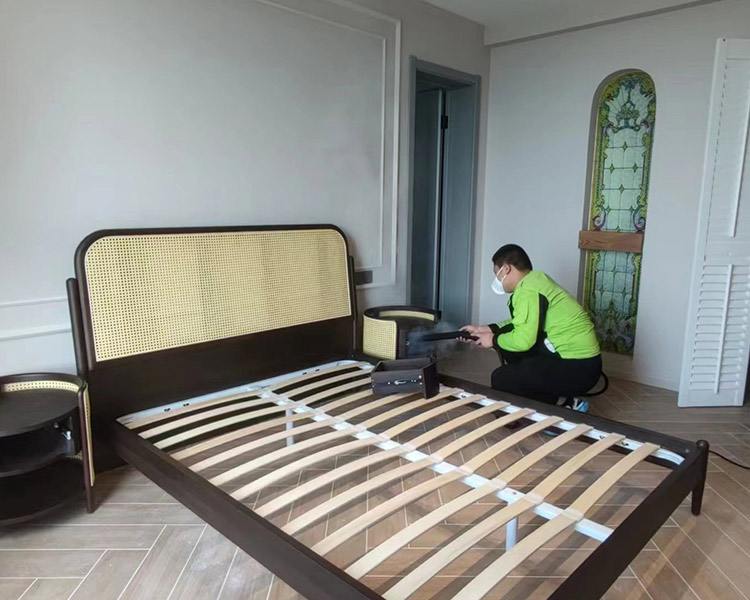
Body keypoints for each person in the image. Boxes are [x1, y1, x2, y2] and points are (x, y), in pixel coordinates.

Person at [461, 244, 602, 412]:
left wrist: (492, 340)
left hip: (578, 368)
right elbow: (520, 323)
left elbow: (523, 340)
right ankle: (550, 392)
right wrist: (484, 329)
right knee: (507, 345)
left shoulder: (528, 290)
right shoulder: (535, 281)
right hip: (581, 364)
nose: (496, 281)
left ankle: (565, 402)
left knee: (501, 379)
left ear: (506, 269)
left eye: (496, 273)